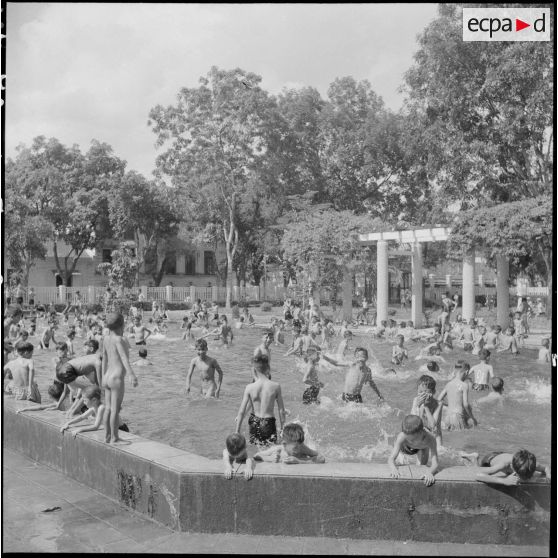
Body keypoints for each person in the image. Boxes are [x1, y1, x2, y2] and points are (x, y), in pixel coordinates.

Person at [101, 312, 139, 444]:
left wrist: (102, 376)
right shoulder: (120, 340)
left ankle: (107, 436)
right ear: (121, 326)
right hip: (116, 378)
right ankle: (114, 437)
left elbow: (104, 358)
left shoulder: (105, 339)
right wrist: (131, 374)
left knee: (107, 408)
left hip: (107, 377)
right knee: (115, 410)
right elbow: (124, 358)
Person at [234, 355, 286, 447]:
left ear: (254, 370)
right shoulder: (276, 386)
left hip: (254, 422)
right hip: (268, 422)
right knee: (271, 449)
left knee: (255, 447)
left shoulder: (249, 387)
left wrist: (237, 431)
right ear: (268, 368)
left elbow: (241, 411)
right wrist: (282, 429)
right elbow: (281, 411)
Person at [388, 415, 440, 486]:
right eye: (408, 438)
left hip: (422, 448)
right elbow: (391, 458)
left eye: (412, 439)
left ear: (421, 432)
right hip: (404, 448)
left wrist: (430, 472)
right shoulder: (402, 436)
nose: (411, 441)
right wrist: (393, 469)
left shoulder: (430, 439)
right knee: (400, 464)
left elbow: (435, 463)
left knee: (422, 467)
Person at [460, 449, 550, 486]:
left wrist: (549, 476)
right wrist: (503, 481)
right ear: (514, 469)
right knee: (477, 467)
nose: (525, 479)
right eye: (522, 477)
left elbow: (546, 468)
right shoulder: (504, 465)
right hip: (489, 459)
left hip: (504, 455)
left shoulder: (530, 464)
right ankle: (474, 458)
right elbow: (477, 475)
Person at [254, 422, 325, 464]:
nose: (298, 450)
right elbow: (256, 456)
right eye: (295, 448)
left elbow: (321, 458)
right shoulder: (279, 449)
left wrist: (299, 461)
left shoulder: (302, 447)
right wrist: (269, 459)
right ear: (284, 444)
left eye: (299, 446)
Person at [437, 361, 477, 430]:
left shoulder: (448, 384)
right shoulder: (464, 385)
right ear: (467, 372)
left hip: (447, 417)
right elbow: (466, 405)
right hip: (458, 417)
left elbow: (439, 400)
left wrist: (450, 404)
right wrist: (472, 418)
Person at [411, 375, 443, 448]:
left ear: (433, 392)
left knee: (439, 452)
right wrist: (418, 407)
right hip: (420, 434)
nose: (422, 395)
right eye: (420, 392)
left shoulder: (438, 404)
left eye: (425, 392)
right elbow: (413, 424)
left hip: (435, 436)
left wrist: (426, 407)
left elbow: (433, 427)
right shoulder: (416, 400)